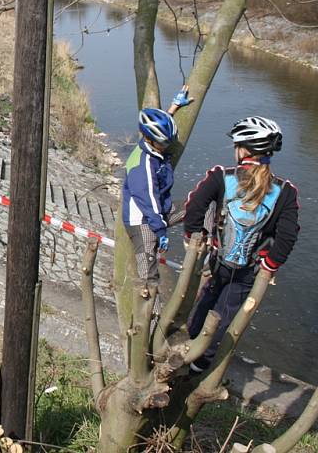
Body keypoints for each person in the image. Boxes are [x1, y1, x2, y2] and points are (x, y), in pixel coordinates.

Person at [185, 117, 299, 373]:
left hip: (217, 261)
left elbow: (193, 208)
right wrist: (269, 264)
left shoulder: (220, 177)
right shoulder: (286, 191)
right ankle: (201, 365)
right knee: (224, 317)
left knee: (203, 305)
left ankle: (185, 350)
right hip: (248, 270)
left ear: (244, 149)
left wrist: (194, 238)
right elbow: (288, 237)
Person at [122, 88, 193, 313]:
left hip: (159, 211)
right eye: (163, 143)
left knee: (197, 204)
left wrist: (173, 108)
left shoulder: (153, 147)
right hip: (142, 219)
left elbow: (159, 125)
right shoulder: (143, 164)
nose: (167, 147)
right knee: (148, 274)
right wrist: (160, 232)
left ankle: (197, 240)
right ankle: (149, 322)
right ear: (151, 141)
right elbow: (148, 200)